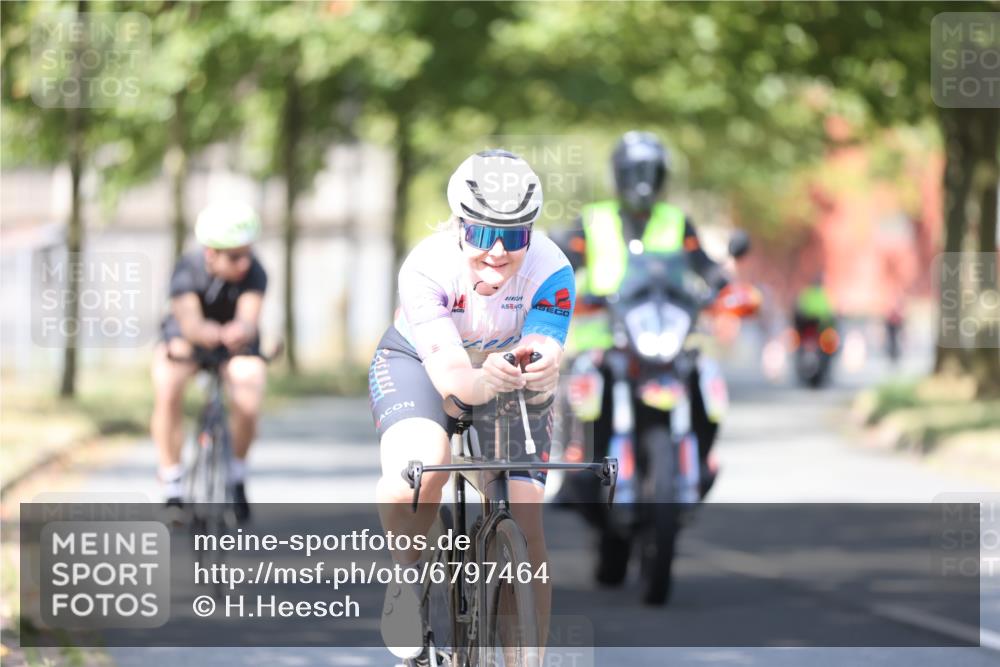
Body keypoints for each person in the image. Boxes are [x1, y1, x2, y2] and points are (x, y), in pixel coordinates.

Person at [370, 150, 575, 659]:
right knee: (416, 472)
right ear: (459, 226)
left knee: (526, 521)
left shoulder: (553, 268)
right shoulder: (426, 267)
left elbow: (543, 347)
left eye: (515, 235)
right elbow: (455, 384)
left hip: (504, 371)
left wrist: (543, 365)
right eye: (483, 233)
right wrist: (489, 378)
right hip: (422, 364)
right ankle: (405, 577)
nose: (498, 251)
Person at [551, 131, 728, 496]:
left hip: (664, 335)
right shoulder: (593, 220)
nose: (642, 182)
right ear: (618, 175)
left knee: (701, 373)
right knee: (580, 382)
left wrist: (721, 283)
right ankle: (577, 465)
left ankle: (702, 461)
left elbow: (703, 265)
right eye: (634, 172)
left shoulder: (677, 221)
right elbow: (561, 262)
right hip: (603, 334)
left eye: (651, 172)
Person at [150, 201, 268, 521]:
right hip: (188, 338)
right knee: (168, 384)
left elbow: (249, 317)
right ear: (210, 253)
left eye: (248, 253)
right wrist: (212, 333)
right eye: (235, 256)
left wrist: (240, 331)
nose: (244, 263)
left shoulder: (255, 271)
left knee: (250, 384)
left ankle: (237, 475)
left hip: (234, 342)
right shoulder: (187, 269)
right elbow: (191, 324)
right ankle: (172, 482)